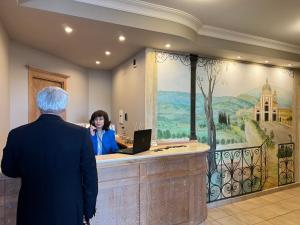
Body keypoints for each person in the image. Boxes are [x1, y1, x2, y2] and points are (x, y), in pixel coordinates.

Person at [1, 86, 98, 225]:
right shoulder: (81, 134)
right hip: (69, 209)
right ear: (64, 108)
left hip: (30, 209)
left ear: (39, 106)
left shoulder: (17, 134)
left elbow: (8, 169)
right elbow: (90, 177)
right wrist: (88, 210)